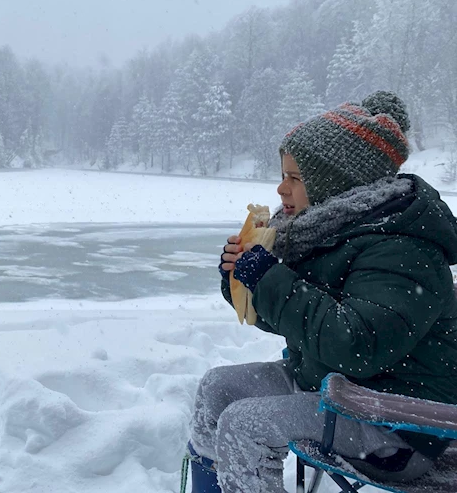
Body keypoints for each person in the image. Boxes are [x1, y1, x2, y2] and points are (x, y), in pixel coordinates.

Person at [189, 91, 457, 493]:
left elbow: (355, 344)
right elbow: (300, 321)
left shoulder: (401, 247)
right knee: (218, 388)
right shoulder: (327, 233)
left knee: (247, 426)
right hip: (332, 387)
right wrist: (242, 281)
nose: (281, 189)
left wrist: (268, 279)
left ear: (335, 184)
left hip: (396, 422)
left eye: (295, 178)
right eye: (283, 174)